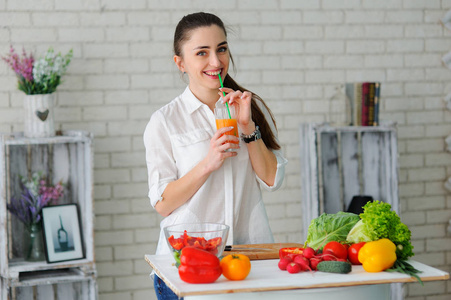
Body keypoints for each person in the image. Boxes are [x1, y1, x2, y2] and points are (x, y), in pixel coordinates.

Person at [144, 12, 287, 300]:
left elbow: (273, 178)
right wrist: (207, 164)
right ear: (180, 63)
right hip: (187, 267)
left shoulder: (245, 106)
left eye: (221, 49)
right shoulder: (165, 121)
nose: (215, 61)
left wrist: (247, 128)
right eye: (202, 53)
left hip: (248, 262)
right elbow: (162, 203)